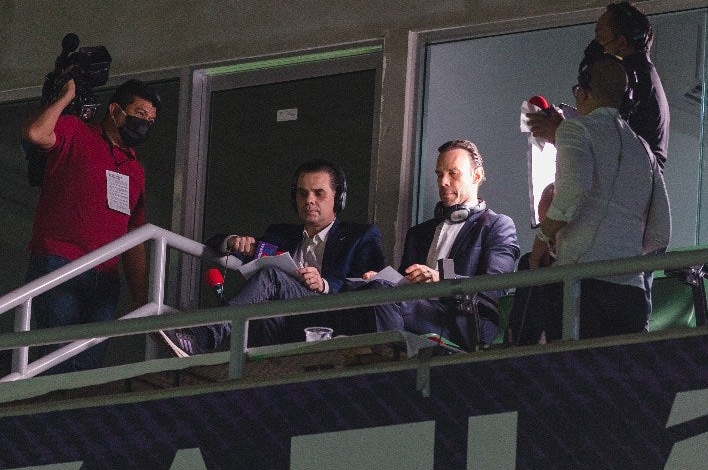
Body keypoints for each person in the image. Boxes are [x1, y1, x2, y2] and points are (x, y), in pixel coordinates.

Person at [159, 159, 385, 356]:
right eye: (302, 193)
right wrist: (233, 241)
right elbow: (212, 243)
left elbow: (371, 284)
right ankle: (256, 373)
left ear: (338, 198)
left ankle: (202, 338)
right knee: (265, 307)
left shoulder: (360, 236)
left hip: (331, 319)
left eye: (319, 193)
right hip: (285, 324)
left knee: (271, 276)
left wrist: (324, 284)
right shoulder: (280, 234)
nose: (309, 200)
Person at [22, 77, 160, 372]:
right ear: (115, 110)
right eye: (139, 113)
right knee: (53, 362)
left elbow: (134, 236)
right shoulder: (77, 131)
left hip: (105, 277)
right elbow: (36, 133)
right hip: (59, 263)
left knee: (88, 367)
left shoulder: (134, 169)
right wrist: (65, 96)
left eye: (150, 119)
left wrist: (139, 297)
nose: (145, 123)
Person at [529, 55, 670, 339]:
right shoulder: (644, 150)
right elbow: (660, 233)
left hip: (580, 289)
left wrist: (542, 242)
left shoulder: (574, 129)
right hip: (631, 295)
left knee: (573, 366)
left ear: (582, 92)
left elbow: (573, 192)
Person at [369, 139, 519, 351]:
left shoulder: (497, 225)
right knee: (370, 290)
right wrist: (382, 279)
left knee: (384, 296)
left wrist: (441, 279)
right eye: (439, 175)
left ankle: (390, 360)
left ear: (476, 176)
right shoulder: (419, 233)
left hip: (462, 322)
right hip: (415, 312)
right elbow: (403, 283)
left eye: (452, 173)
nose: (443, 182)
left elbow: (495, 287)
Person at [527, 0, 670, 170]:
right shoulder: (643, 78)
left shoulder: (633, 82)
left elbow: (611, 156)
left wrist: (561, 133)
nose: (595, 48)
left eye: (600, 39)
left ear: (622, 44)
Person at [508, 182, 561, 345]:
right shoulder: (530, 263)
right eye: (542, 227)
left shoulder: (588, 260)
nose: (549, 237)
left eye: (551, 227)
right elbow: (520, 324)